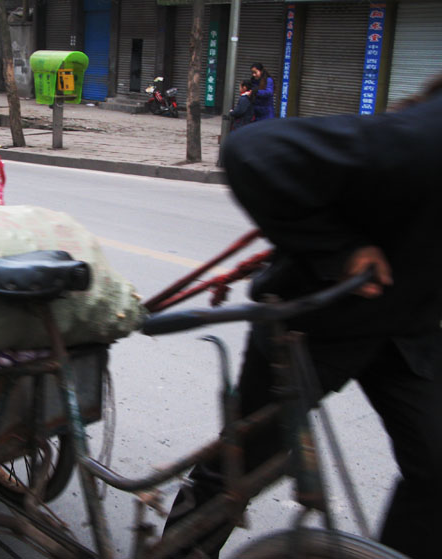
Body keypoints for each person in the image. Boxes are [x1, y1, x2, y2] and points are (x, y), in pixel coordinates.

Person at [165, 79, 442, 559]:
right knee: (242, 464)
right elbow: (253, 148)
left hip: (406, 330)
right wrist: (339, 251)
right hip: (312, 324)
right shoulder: (422, 138)